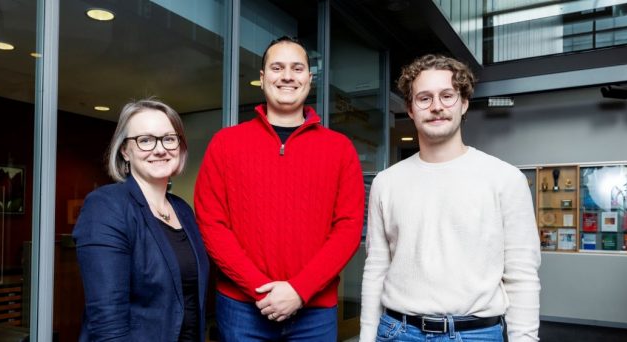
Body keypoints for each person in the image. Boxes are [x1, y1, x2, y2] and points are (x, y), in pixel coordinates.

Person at [360, 54, 541, 342]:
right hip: (398, 332)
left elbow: (522, 275)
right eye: (424, 98)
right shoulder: (386, 182)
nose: (436, 107)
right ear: (409, 108)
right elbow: (376, 268)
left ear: (464, 103)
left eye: (447, 96)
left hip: (477, 334)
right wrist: (366, 337)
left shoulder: (505, 178)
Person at [195, 36, 364, 341]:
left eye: (297, 68)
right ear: (262, 79)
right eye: (277, 67)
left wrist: (300, 289)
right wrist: (259, 288)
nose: (287, 76)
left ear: (309, 80)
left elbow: (349, 228)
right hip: (241, 308)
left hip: (315, 310)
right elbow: (211, 223)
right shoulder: (225, 143)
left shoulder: (340, 149)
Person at [73, 99, 209, 341]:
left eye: (169, 138)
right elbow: (107, 323)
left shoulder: (183, 211)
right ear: (125, 150)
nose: (160, 149)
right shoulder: (105, 206)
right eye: (145, 140)